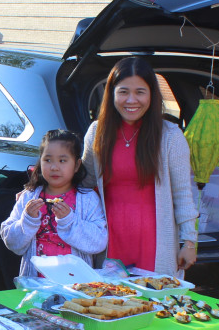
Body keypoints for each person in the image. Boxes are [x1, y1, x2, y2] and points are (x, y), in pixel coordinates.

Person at [82, 57, 198, 276]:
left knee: (155, 308)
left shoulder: (170, 136)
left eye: (140, 92)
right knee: (111, 306)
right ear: (111, 93)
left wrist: (189, 242)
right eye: (123, 91)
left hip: (157, 248)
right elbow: (83, 186)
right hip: (110, 245)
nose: (131, 100)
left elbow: (183, 193)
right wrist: (37, 190)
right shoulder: (96, 133)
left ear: (152, 95)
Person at [0, 129, 108, 277]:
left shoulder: (88, 199)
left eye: (62, 160)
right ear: (40, 162)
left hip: (77, 285)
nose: (54, 167)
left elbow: (99, 242)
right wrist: (28, 220)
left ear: (77, 165)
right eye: (48, 160)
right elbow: (12, 242)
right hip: (35, 285)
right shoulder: (28, 197)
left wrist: (69, 221)